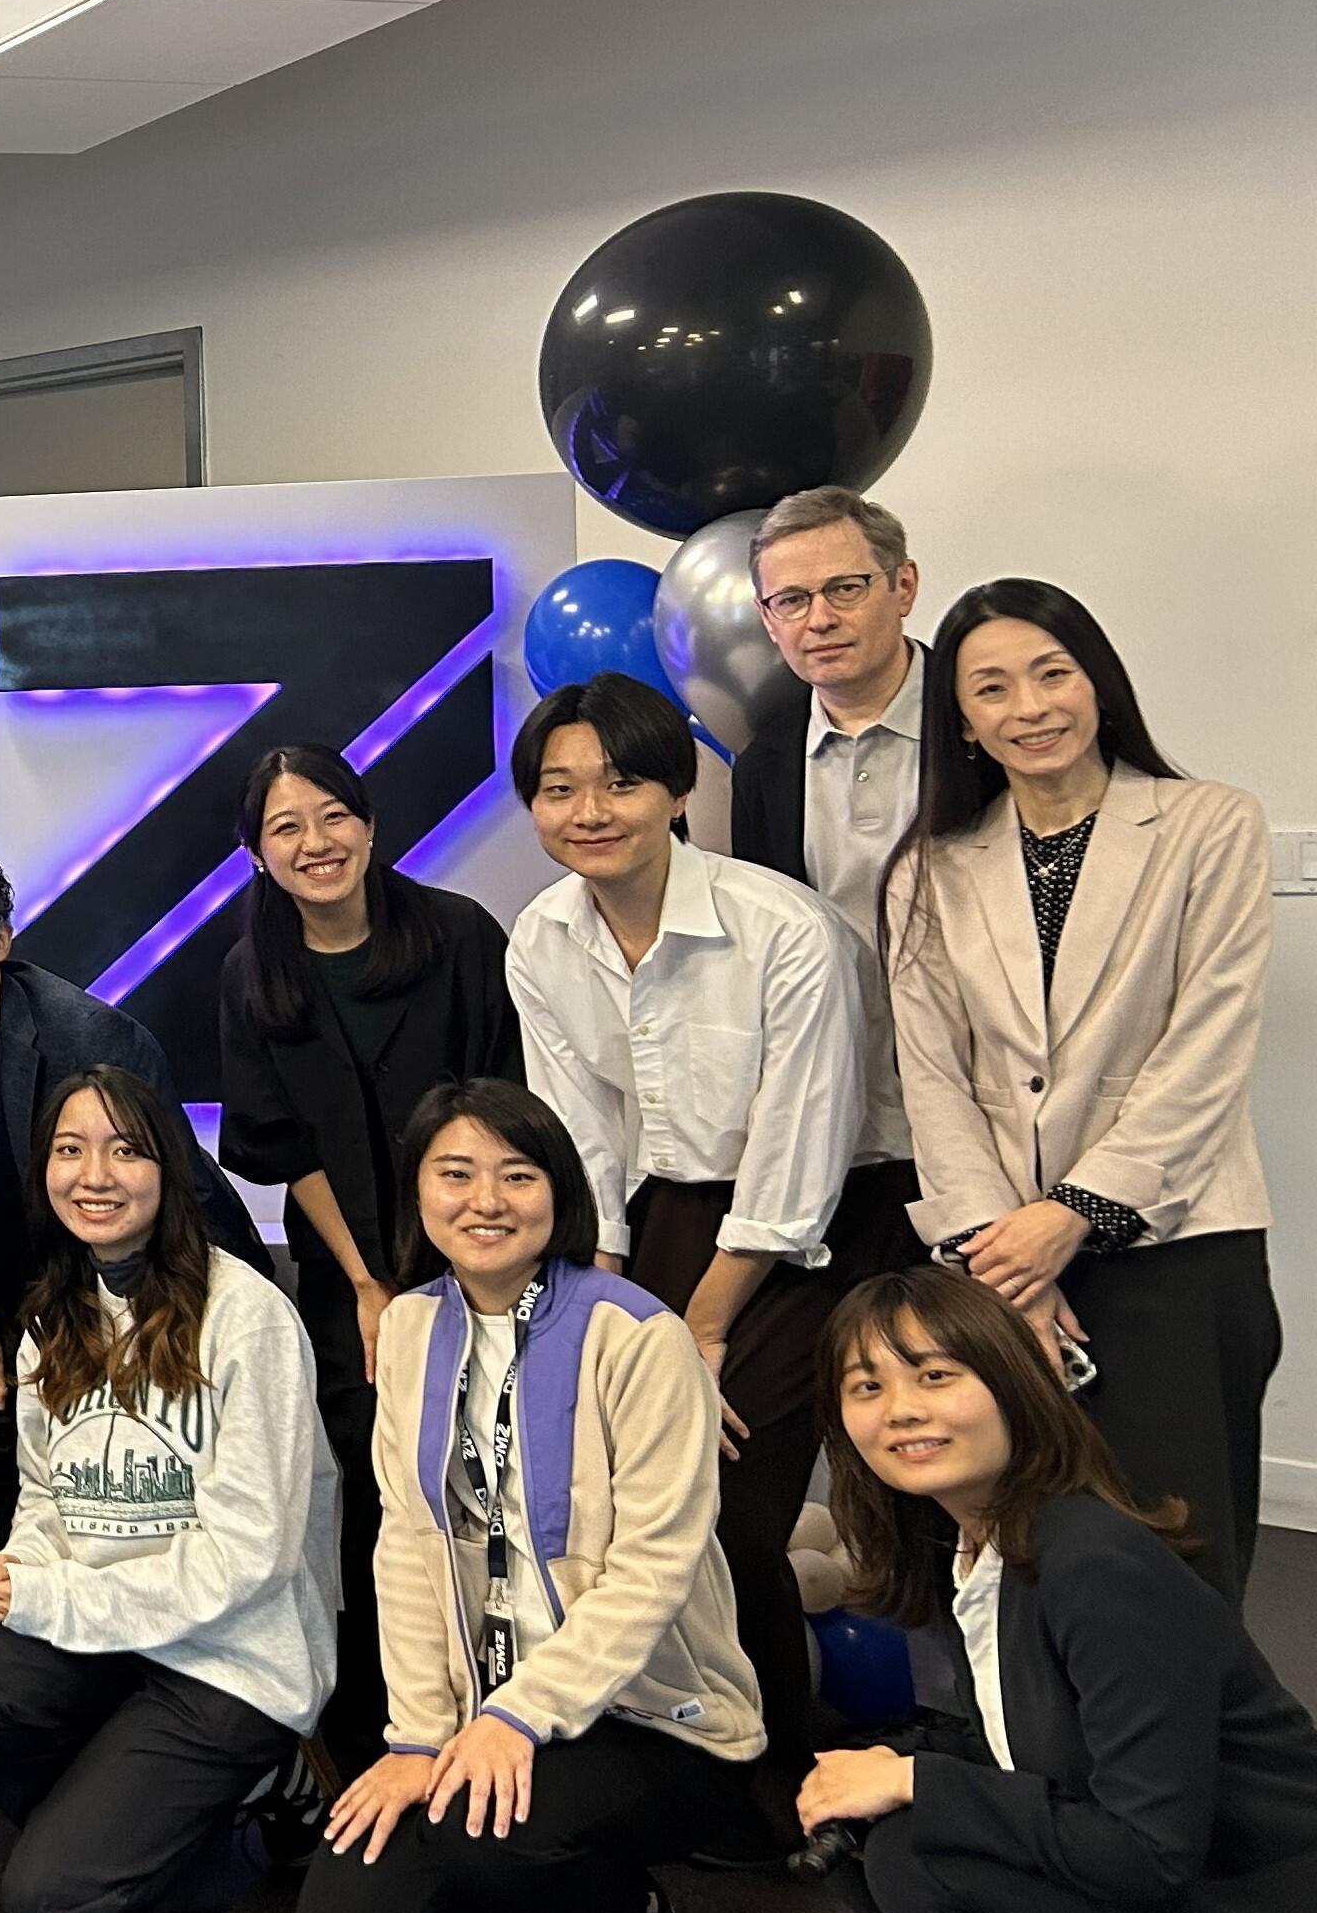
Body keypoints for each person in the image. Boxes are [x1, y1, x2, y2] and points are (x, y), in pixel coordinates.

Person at [802, 1265, 1314, 1913]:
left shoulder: (1098, 1565)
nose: (900, 1409)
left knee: (922, 1850)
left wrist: (916, 1781)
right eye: (868, 1386)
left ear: (1012, 1384)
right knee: (876, 1840)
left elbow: (1148, 1849)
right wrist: (894, 1765)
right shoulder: (981, 1547)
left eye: (935, 1375)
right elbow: (1020, 1744)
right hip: (1207, 1903)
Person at [296, 1082, 762, 1913]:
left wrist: (518, 1716)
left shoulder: (639, 1337)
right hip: (482, 1713)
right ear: (419, 1192)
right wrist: (418, 1737)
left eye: (517, 1175)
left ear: (560, 1192)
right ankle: (526, 1876)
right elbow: (408, 1542)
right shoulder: (411, 1328)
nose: (486, 1201)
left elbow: (653, 1569)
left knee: (493, 1830)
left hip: (649, 1716)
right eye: (455, 1174)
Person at [504, 671, 898, 1802]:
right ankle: (663, 1741)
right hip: (662, 1213)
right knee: (613, 1490)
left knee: (724, 1508)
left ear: (677, 792)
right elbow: (580, 1138)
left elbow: (797, 1155)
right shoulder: (542, 936)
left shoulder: (785, 930)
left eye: (620, 783)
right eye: (559, 788)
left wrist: (700, 1334)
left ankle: (773, 1778)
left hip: (815, 1228)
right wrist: (597, 1309)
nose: (590, 811)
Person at [883, 579, 1280, 1604]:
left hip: (1172, 1244)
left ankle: (1191, 1722)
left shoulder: (1209, 825)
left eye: (1052, 674)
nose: (1030, 707)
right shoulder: (928, 869)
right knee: (1026, 1557)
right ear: (960, 721)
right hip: (1003, 1267)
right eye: (992, 688)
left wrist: (1073, 1215)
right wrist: (1006, 1255)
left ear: (1099, 683)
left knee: (1179, 1553)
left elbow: (1206, 1049)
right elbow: (934, 1078)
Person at [0, 1066, 331, 1913]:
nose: (94, 1176)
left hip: (229, 1658)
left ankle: (251, 1783)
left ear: (170, 1168)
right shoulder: (53, 1318)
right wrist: (22, 1568)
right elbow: (45, 1498)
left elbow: (249, 1559)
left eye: (125, 1151)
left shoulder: (248, 1318)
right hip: (113, 1638)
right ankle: (144, 1811)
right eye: (70, 1150)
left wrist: (57, 1598)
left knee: (49, 1903)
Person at [213, 746, 518, 1767]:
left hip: (486, 1257)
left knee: (497, 1472)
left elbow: (506, 1107)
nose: (316, 843)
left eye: (333, 816)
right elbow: (280, 1146)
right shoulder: (253, 974)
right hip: (350, 1278)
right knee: (377, 1485)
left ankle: (507, 1704)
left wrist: (470, 1270)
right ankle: (386, 1730)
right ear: (258, 854)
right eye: (285, 827)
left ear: (370, 823)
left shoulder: (459, 936)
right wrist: (369, 1284)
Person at [0, 833, 261, 1591]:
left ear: (0, 939)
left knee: (126, 1460)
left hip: (152, 1296)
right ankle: (19, 1603)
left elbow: (181, 1202)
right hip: (26, 1306)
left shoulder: (90, 1042)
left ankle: (126, 1608)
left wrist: (145, 1333)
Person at [726, 485, 927, 947]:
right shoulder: (761, 765)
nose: (820, 620)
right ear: (767, 620)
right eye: (791, 600)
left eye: (845, 588)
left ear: (904, 587)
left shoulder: (984, 723)